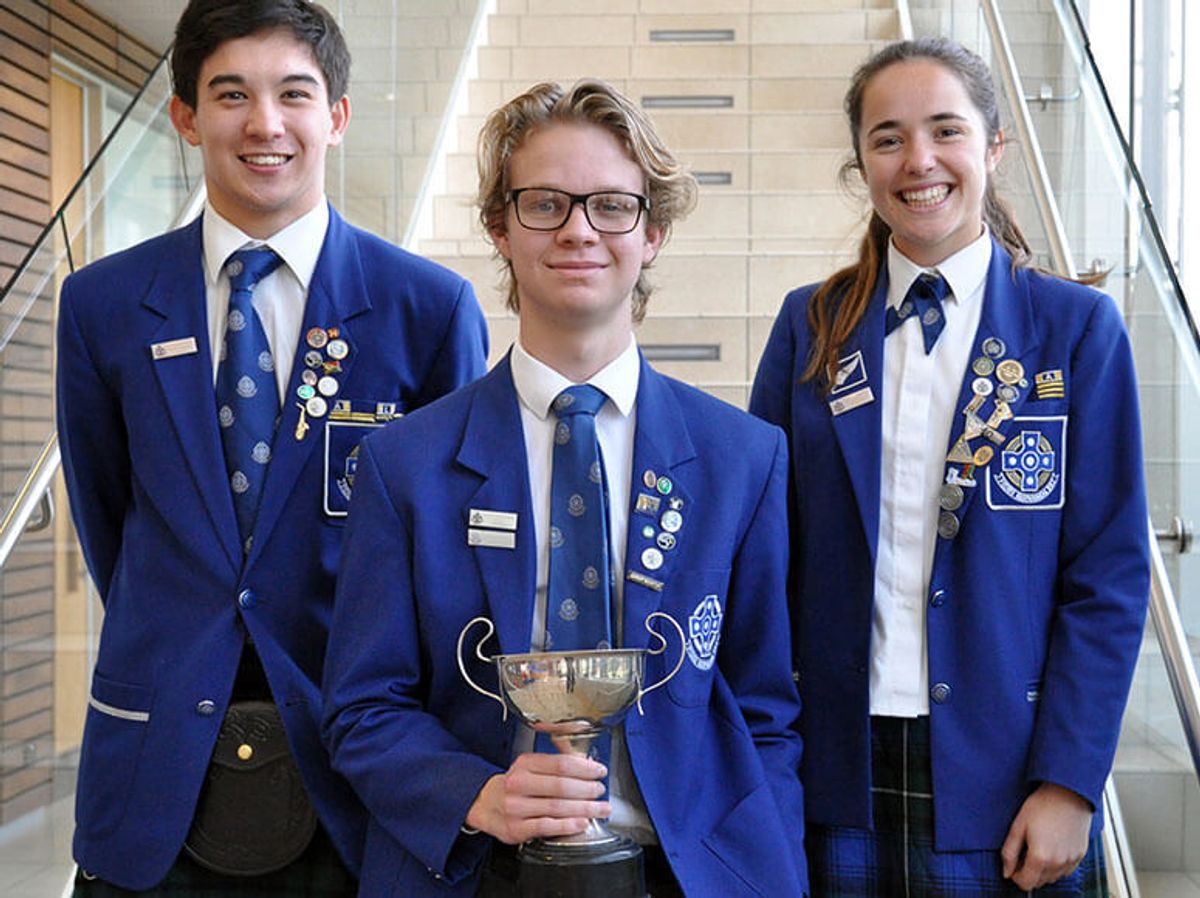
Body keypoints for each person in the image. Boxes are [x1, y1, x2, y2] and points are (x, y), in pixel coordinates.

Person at [321, 79, 809, 897]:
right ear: (499, 228)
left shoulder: (743, 458)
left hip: (685, 875)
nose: (579, 230)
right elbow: (361, 708)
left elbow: (767, 711)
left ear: (652, 233)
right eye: (545, 204)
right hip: (477, 868)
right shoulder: (403, 464)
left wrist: (770, 868)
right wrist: (476, 796)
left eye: (612, 206)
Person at [55, 0, 488, 892]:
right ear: (185, 118)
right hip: (156, 772)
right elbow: (109, 520)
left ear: (337, 116)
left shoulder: (425, 309)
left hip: (357, 769)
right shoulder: (103, 305)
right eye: (230, 95)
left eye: (294, 93)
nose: (264, 124)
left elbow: (448, 557)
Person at [749, 37, 1150, 896]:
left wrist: (1070, 781)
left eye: (945, 130)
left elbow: (1109, 577)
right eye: (888, 138)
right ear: (861, 163)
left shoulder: (1076, 330)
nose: (918, 161)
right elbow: (763, 556)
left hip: (1009, 776)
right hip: (835, 768)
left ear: (994, 146)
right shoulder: (810, 326)